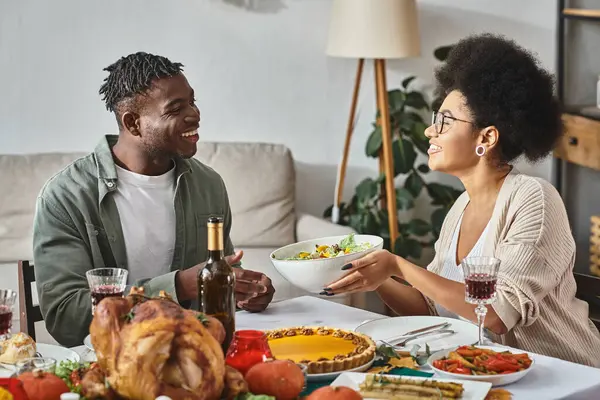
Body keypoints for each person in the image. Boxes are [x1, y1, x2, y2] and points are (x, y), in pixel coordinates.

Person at [323, 34, 600, 367]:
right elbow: (430, 307)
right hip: (485, 373)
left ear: (486, 137)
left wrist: (398, 265)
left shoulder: (533, 199)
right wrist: (378, 276)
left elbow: (496, 314)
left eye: (444, 121)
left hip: (561, 374)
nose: (430, 131)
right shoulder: (460, 208)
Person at [33, 52, 275, 347]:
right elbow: (66, 318)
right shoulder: (66, 197)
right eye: (175, 108)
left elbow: (217, 291)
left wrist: (246, 294)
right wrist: (177, 286)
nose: (194, 114)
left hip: (197, 355)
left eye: (192, 101)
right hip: (110, 363)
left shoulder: (208, 185)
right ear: (133, 123)